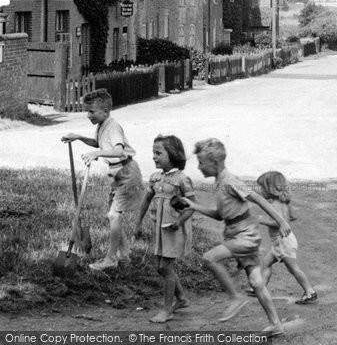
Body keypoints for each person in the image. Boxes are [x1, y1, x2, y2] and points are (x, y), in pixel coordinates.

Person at [182, 138, 291, 337]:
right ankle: (276, 324)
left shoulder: (230, 180)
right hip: (238, 234)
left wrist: (281, 221)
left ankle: (235, 297)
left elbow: (257, 199)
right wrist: (193, 206)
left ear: (214, 163)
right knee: (257, 283)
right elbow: (219, 215)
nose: (198, 167)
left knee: (209, 258)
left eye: (201, 163)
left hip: (245, 235)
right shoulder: (220, 183)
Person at [61, 88, 143, 271]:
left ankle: (111, 259)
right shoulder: (102, 125)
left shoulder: (113, 126)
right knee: (113, 217)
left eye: (91, 111)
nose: (88, 115)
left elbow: (119, 150)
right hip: (116, 173)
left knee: (113, 215)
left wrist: (97, 154)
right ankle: (124, 255)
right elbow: (98, 143)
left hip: (126, 172)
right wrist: (78, 137)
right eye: (86, 111)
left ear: (105, 111)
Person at [134, 135, 195, 323]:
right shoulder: (155, 178)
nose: (154, 156)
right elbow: (145, 200)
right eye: (153, 152)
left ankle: (167, 310)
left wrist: (180, 221)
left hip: (174, 229)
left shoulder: (181, 179)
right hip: (160, 229)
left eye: (159, 153)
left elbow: (192, 205)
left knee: (165, 267)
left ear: (173, 154)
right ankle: (182, 298)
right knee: (160, 267)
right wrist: (138, 222)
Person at [253, 171, 317, 305]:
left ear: (270, 189)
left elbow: (278, 223)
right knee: (265, 263)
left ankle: (310, 291)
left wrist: (261, 220)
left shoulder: (274, 205)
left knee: (293, 268)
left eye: (262, 188)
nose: (260, 191)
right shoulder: (283, 203)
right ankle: (260, 288)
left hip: (283, 241)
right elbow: (291, 217)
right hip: (281, 242)